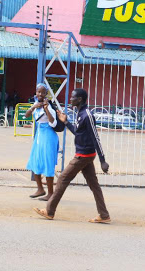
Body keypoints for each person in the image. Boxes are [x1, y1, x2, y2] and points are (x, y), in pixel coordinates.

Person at [33, 88, 111, 223]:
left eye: (73, 97)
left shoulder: (87, 115)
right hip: (84, 154)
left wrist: (103, 160)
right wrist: (66, 122)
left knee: (63, 178)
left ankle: (49, 211)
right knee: (94, 185)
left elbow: (96, 137)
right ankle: (104, 215)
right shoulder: (79, 113)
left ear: (79, 99)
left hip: (83, 155)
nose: (70, 99)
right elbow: (78, 132)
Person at [25, 83, 59, 200]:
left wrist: (46, 108)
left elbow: (53, 122)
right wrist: (34, 107)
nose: (40, 94)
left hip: (49, 136)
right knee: (36, 161)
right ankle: (40, 189)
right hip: (39, 136)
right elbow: (26, 115)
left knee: (48, 163)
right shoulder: (35, 104)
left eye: (42, 92)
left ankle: (50, 193)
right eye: (38, 92)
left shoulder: (49, 106)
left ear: (46, 94)